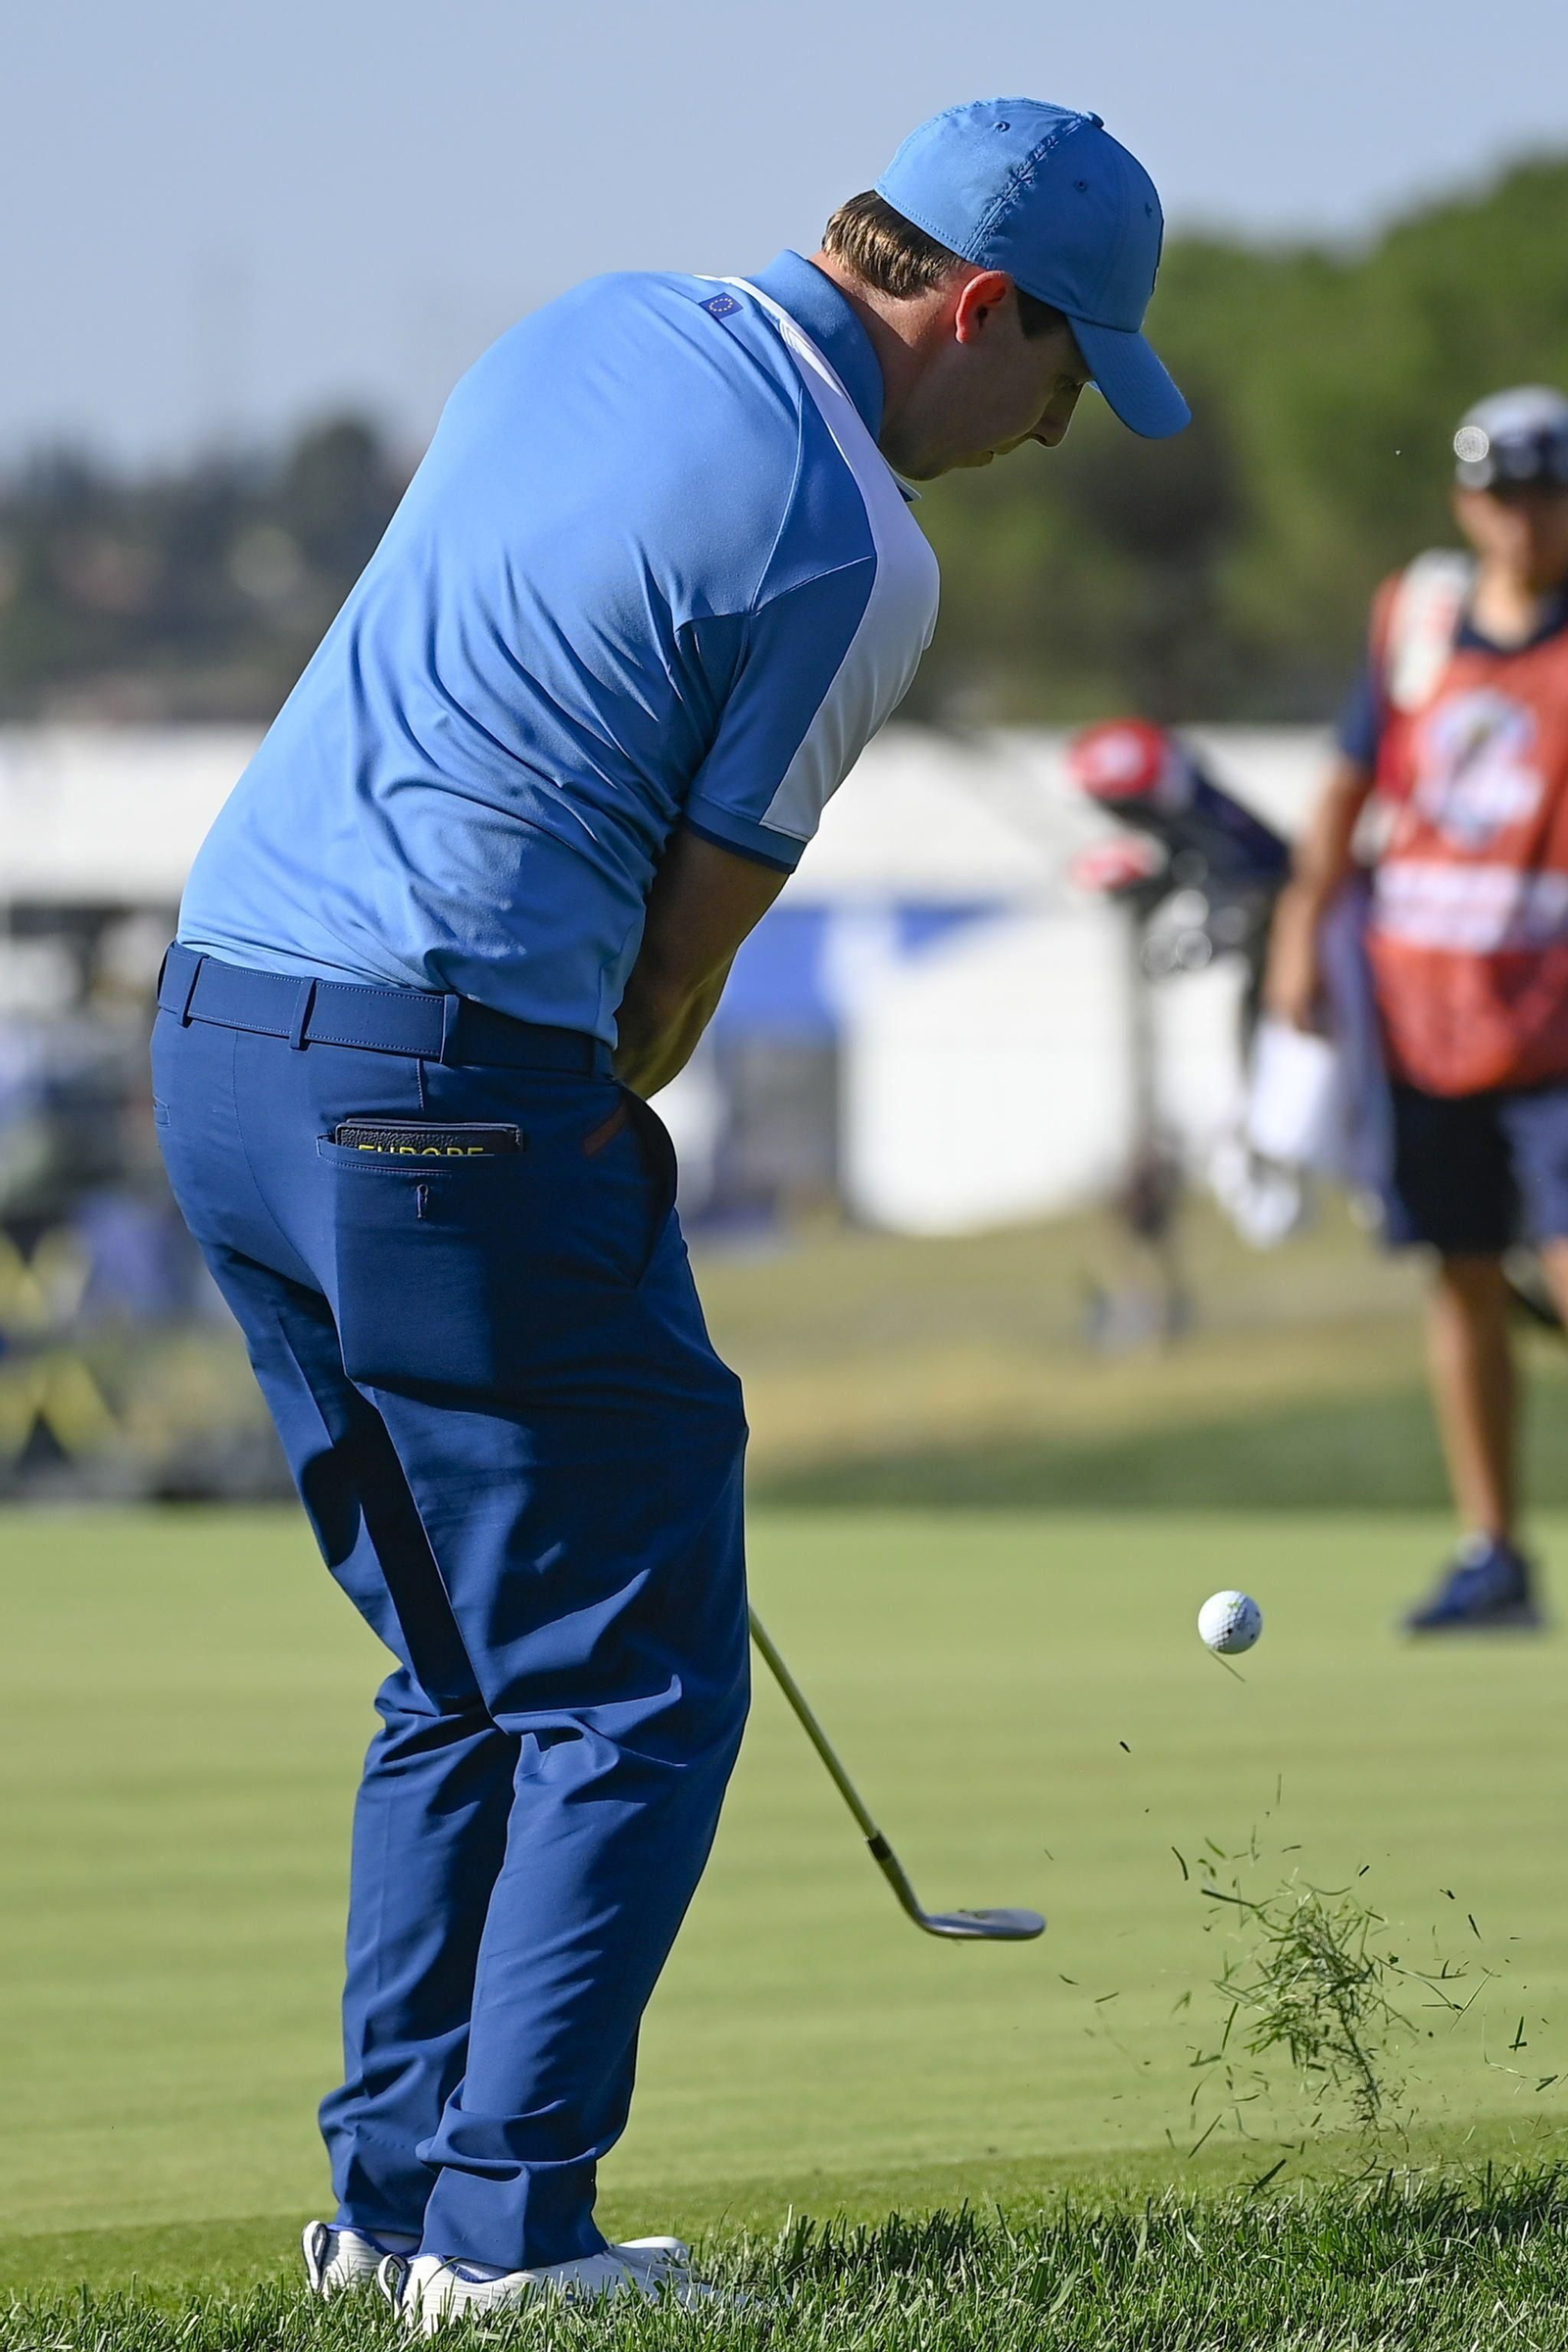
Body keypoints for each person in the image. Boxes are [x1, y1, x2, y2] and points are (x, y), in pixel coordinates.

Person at [150, 99, 1187, 2332]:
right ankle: (509, 2239)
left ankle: (380, 2210)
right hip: (439, 1082)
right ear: (976, 310)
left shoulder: (588, 318)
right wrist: (574, 1130)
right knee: (626, 1672)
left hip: (218, 1042)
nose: (1048, 428)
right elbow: (672, 970)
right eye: (1066, 372)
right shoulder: (853, 546)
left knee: (453, 1664)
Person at [1266, 385, 1568, 1633]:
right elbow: (1346, 792)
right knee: (1457, 1276)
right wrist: (1298, 928)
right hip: (1424, 1008)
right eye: (1501, 498)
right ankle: (1491, 1549)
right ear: (1466, 503)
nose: (1523, 525)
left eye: (1545, 498)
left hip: (1556, 1020)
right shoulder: (1421, 622)